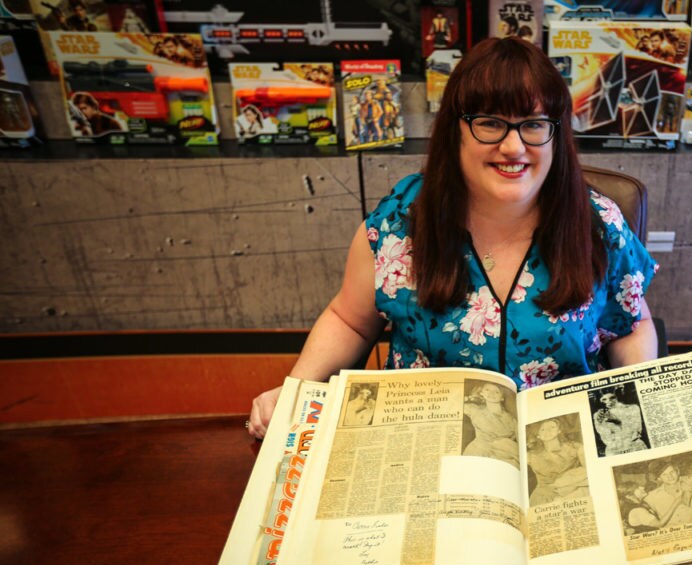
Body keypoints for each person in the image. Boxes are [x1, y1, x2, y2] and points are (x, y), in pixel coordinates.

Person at [247, 37, 658, 439]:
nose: (513, 146)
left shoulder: (599, 224)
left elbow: (630, 324)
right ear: (455, 130)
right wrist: (296, 389)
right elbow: (350, 321)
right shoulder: (400, 222)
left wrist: (639, 398)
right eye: (491, 123)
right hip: (423, 442)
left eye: (533, 124)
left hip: (560, 442)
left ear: (556, 134)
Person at [527, 418, 586, 505]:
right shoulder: (530, 455)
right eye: (543, 429)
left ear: (559, 430)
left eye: (552, 427)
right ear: (538, 435)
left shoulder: (575, 447)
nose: (548, 431)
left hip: (573, 489)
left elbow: (589, 470)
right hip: (544, 496)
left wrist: (565, 482)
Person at [462, 383, 518, 467]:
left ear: (502, 397)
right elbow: (453, 405)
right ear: (481, 393)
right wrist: (467, 399)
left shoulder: (510, 419)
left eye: (496, 392)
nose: (491, 393)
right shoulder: (474, 409)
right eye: (487, 390)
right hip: (478, 451)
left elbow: (515, 436)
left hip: (503, 453)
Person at [592, 388, 646, 455]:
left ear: (618, 397)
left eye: (612, 398)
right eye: (604, 399)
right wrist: (601, 422)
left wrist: (618, 421)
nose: (609, 401)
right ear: (600, 400)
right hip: (614, 450)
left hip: (634, 446)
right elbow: (605, 437)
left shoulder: (632, 408)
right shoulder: (598, 415)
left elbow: (636, 430)